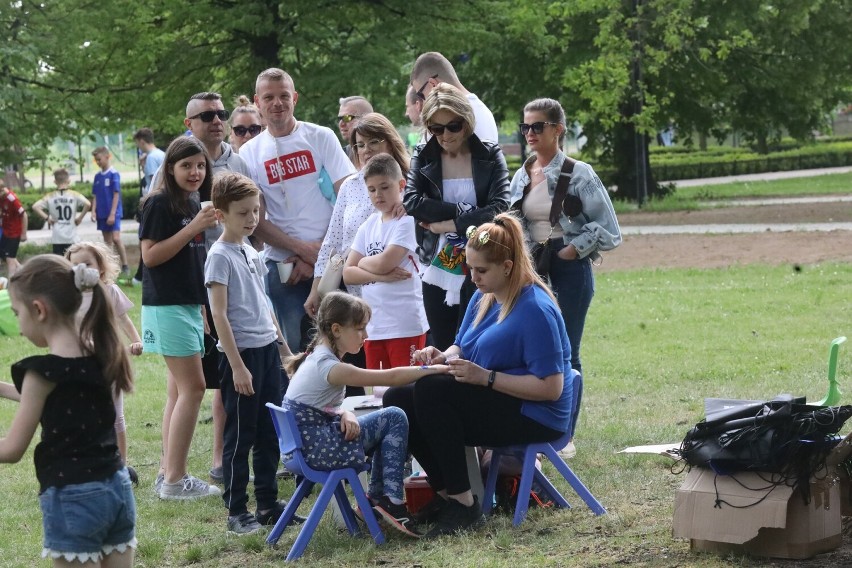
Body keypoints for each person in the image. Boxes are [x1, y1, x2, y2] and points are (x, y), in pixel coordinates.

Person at [403, 212, 574, 538]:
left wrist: (487, 378)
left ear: (507, 267)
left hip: (536, 414)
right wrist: (442, 355)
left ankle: (465, 504)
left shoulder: (535, 308)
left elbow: (551, 388)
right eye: (470, 268)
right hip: (500, 400)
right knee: (403, 396)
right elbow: (461, 346)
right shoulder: (485, 296)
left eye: (481, 270)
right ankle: (445, 497)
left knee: (431, 392)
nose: (472, 277)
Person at [0, 255, 137, 566]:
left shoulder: (41, 373)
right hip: (117, 488)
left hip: (73, 496)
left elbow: (11, 449)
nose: (19, 326)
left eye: (17, 313)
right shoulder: (103, 353)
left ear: (39, 309)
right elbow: (65, 401)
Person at [283, 291, 448, 537]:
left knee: (385, 421)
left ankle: (376, 498)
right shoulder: (331, 366)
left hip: (302, 449)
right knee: (394, 416)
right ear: (337, 329)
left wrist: (343, 413)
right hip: (317, 450)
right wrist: (431, 369)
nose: (366, 335)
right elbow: (389, 378)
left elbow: (316, 405)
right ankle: (390, 498)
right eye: (360, 329)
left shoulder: (316, 356)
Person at [205, 172, 298, 535]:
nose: (251, 219)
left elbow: (264, 304)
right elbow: (219, 314)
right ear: (221, 214)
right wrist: (237, 366)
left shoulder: (251, 251)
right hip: (240, 356)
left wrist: (284, 350)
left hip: (265, 353)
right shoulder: (219, 256)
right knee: (240, 436)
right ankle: (236, 510)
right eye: (243, 212)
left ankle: (267, 503)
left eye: (255, 211)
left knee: (267, 433)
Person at [240, 68, 356, 353]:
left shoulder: (320, 137)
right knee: (299, 352)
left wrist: (320, 258)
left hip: (332, 261)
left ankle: (350, 399)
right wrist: (304, 252)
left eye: (283, 96)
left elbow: (350, 197)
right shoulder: (250, 153)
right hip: (284, 268)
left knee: (344, 345)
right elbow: (255, 220)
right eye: (269, 97)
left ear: (295, 97)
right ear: (257, 102)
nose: (277, 103)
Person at [509, 98, 621, 376]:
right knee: (536, 349)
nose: (530, 133)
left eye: (537, 126)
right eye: (525, 127)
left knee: (567, 353)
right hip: (531, 267)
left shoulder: (580, 173)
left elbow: (610, 230)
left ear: (558, 129)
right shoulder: (520, 176)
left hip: (570, 267)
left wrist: (572, 249)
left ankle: (566, 419)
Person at [139, 136, 221, 500]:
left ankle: (166, 471)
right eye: (186, 165)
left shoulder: (191, 202)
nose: (195, 172)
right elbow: (151, 257)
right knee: (194, 387)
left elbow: (193, 261)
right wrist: (192, 226)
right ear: (170, 168)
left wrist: (202, 305)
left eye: (200, 165)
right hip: (166, 305)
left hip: (186, 304)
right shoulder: (159, 204)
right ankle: (175, 480)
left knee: (178, 388)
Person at [403, 82, 510, 350]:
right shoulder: (423, 154)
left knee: (480, 344)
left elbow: (501, 206)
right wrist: (467, 211)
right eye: (436, 129)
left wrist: (451, 223)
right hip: (436, 265)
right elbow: (412, 202)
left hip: (484, 263)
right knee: (442, 346)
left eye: (453, 126)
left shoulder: (490, 154)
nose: (445, 135)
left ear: (467, 122)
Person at [305, 112, 411, 314]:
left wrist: (412, 205)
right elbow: (332, 241)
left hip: (399, 288)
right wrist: (316, 289)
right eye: (360, 145)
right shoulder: (350, 185)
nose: (366, 150)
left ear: (389, 142)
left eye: (373, 142)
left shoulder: (410, 181)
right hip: (357, 295)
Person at [66, 241, 143, 483]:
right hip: (80, 364)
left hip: (109, 362)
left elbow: (123, 319)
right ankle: (86, 462)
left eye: (87, 263)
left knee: (115, 415)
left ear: (100, 267)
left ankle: (120, 465)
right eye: (75, 265)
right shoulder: (69, 297)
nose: (81, 269)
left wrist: (136, 339)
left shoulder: (109, 291)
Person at [343, 154, 428, 369]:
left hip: (404, 325)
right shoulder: (368, 225)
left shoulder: (406, 221)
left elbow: (385, 263)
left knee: (403, 391)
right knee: (378, 393)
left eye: (384, 187)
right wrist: (381, 275)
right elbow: (347, 273)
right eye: (372, 190)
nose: (378, 195)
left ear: (401, 185)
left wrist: (364, 264)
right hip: (374, 327)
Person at [410, 52, 499, 143]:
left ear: (433, 84)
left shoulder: (442, 121)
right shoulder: (483, 111)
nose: (422, 103)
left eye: (421, 95)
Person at [33, 168, 91, 256]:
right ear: (69, 180)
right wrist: (80, 218)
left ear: (55, 181)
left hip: (57, 236)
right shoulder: (74, 194)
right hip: (71, 236)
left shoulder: (50, 196)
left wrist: (47, 218)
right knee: (72, 261)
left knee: (59, 263)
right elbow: (88, 204)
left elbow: (35, 206)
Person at [90, 146, 130, 275]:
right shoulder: (97, 177)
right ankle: (110, 267)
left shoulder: (113, 174)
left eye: (99, 159)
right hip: (101, 214)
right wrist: (93, 211)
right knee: (107, 242)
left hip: (113, 213)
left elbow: (116, 194)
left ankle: (125, 265)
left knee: (116, 238)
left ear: (107, 157)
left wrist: (113, 213)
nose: (98, 162)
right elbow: (95, 195)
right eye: (96, 160)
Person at [0, 180, 28, 276]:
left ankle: (11, 283)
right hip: (5, 231)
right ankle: (23, 271)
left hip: (14, 233)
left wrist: (23, 233)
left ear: (2, 190)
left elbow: (24, 215)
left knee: (10, 259)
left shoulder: (11, 199)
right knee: (4, 255)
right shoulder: (1, 198)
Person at [337, 96, 373, 161]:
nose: (341, 124)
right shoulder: (339, 157)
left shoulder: (385, 150)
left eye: (347, 118)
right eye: (340, 119)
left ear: (366, 118)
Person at [133, 128, 165, 197]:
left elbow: (154, 182)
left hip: (155, 197)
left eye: (137, 143)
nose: (138, 146)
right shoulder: (161, 154)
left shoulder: (151, 157)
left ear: (142, 142)